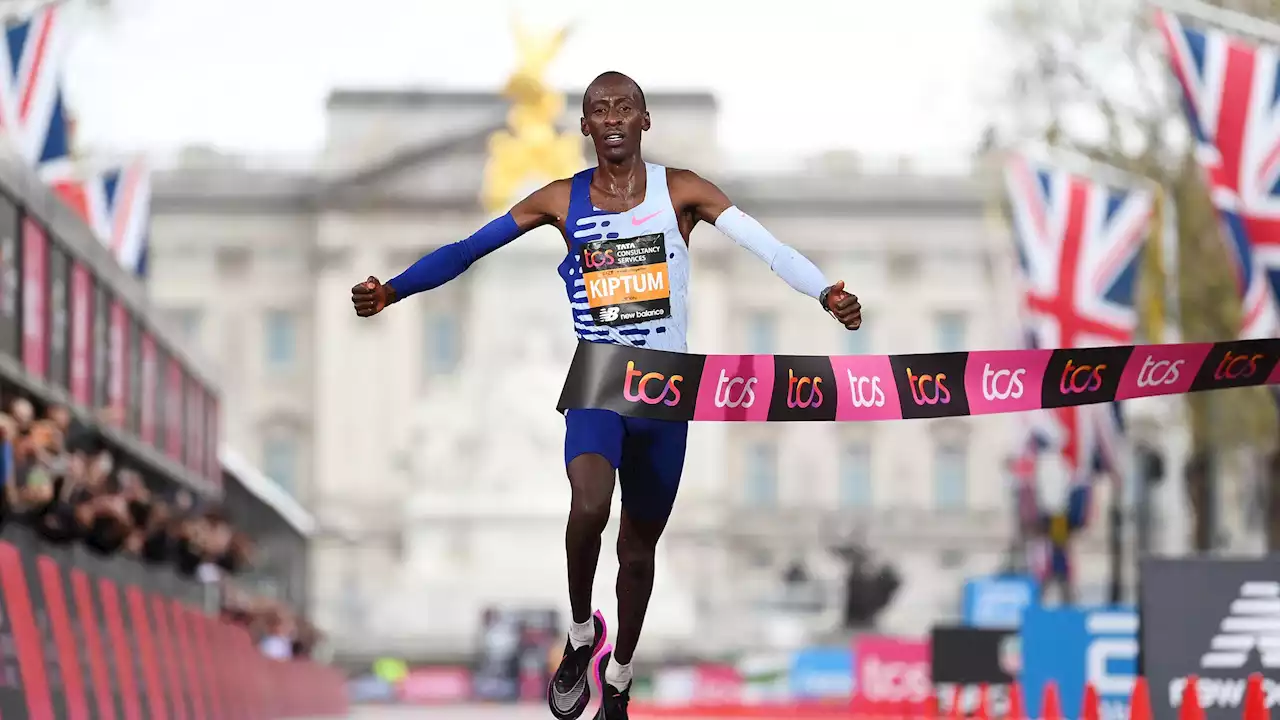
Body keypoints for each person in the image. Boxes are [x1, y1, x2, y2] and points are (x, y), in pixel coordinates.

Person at [351, 71, 862, 719]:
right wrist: (393, 290)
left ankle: (619, 676)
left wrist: (824, 292)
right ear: (585, 127)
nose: (613, 117)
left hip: (665, 392)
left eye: (625, 107)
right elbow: (467, 250)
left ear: (644, 121)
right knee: (589, 506)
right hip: (598, 380)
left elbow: (767, 246)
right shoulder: (561, 201)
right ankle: (580, 633)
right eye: (599, 109)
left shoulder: (682, 191)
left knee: (638, 552)